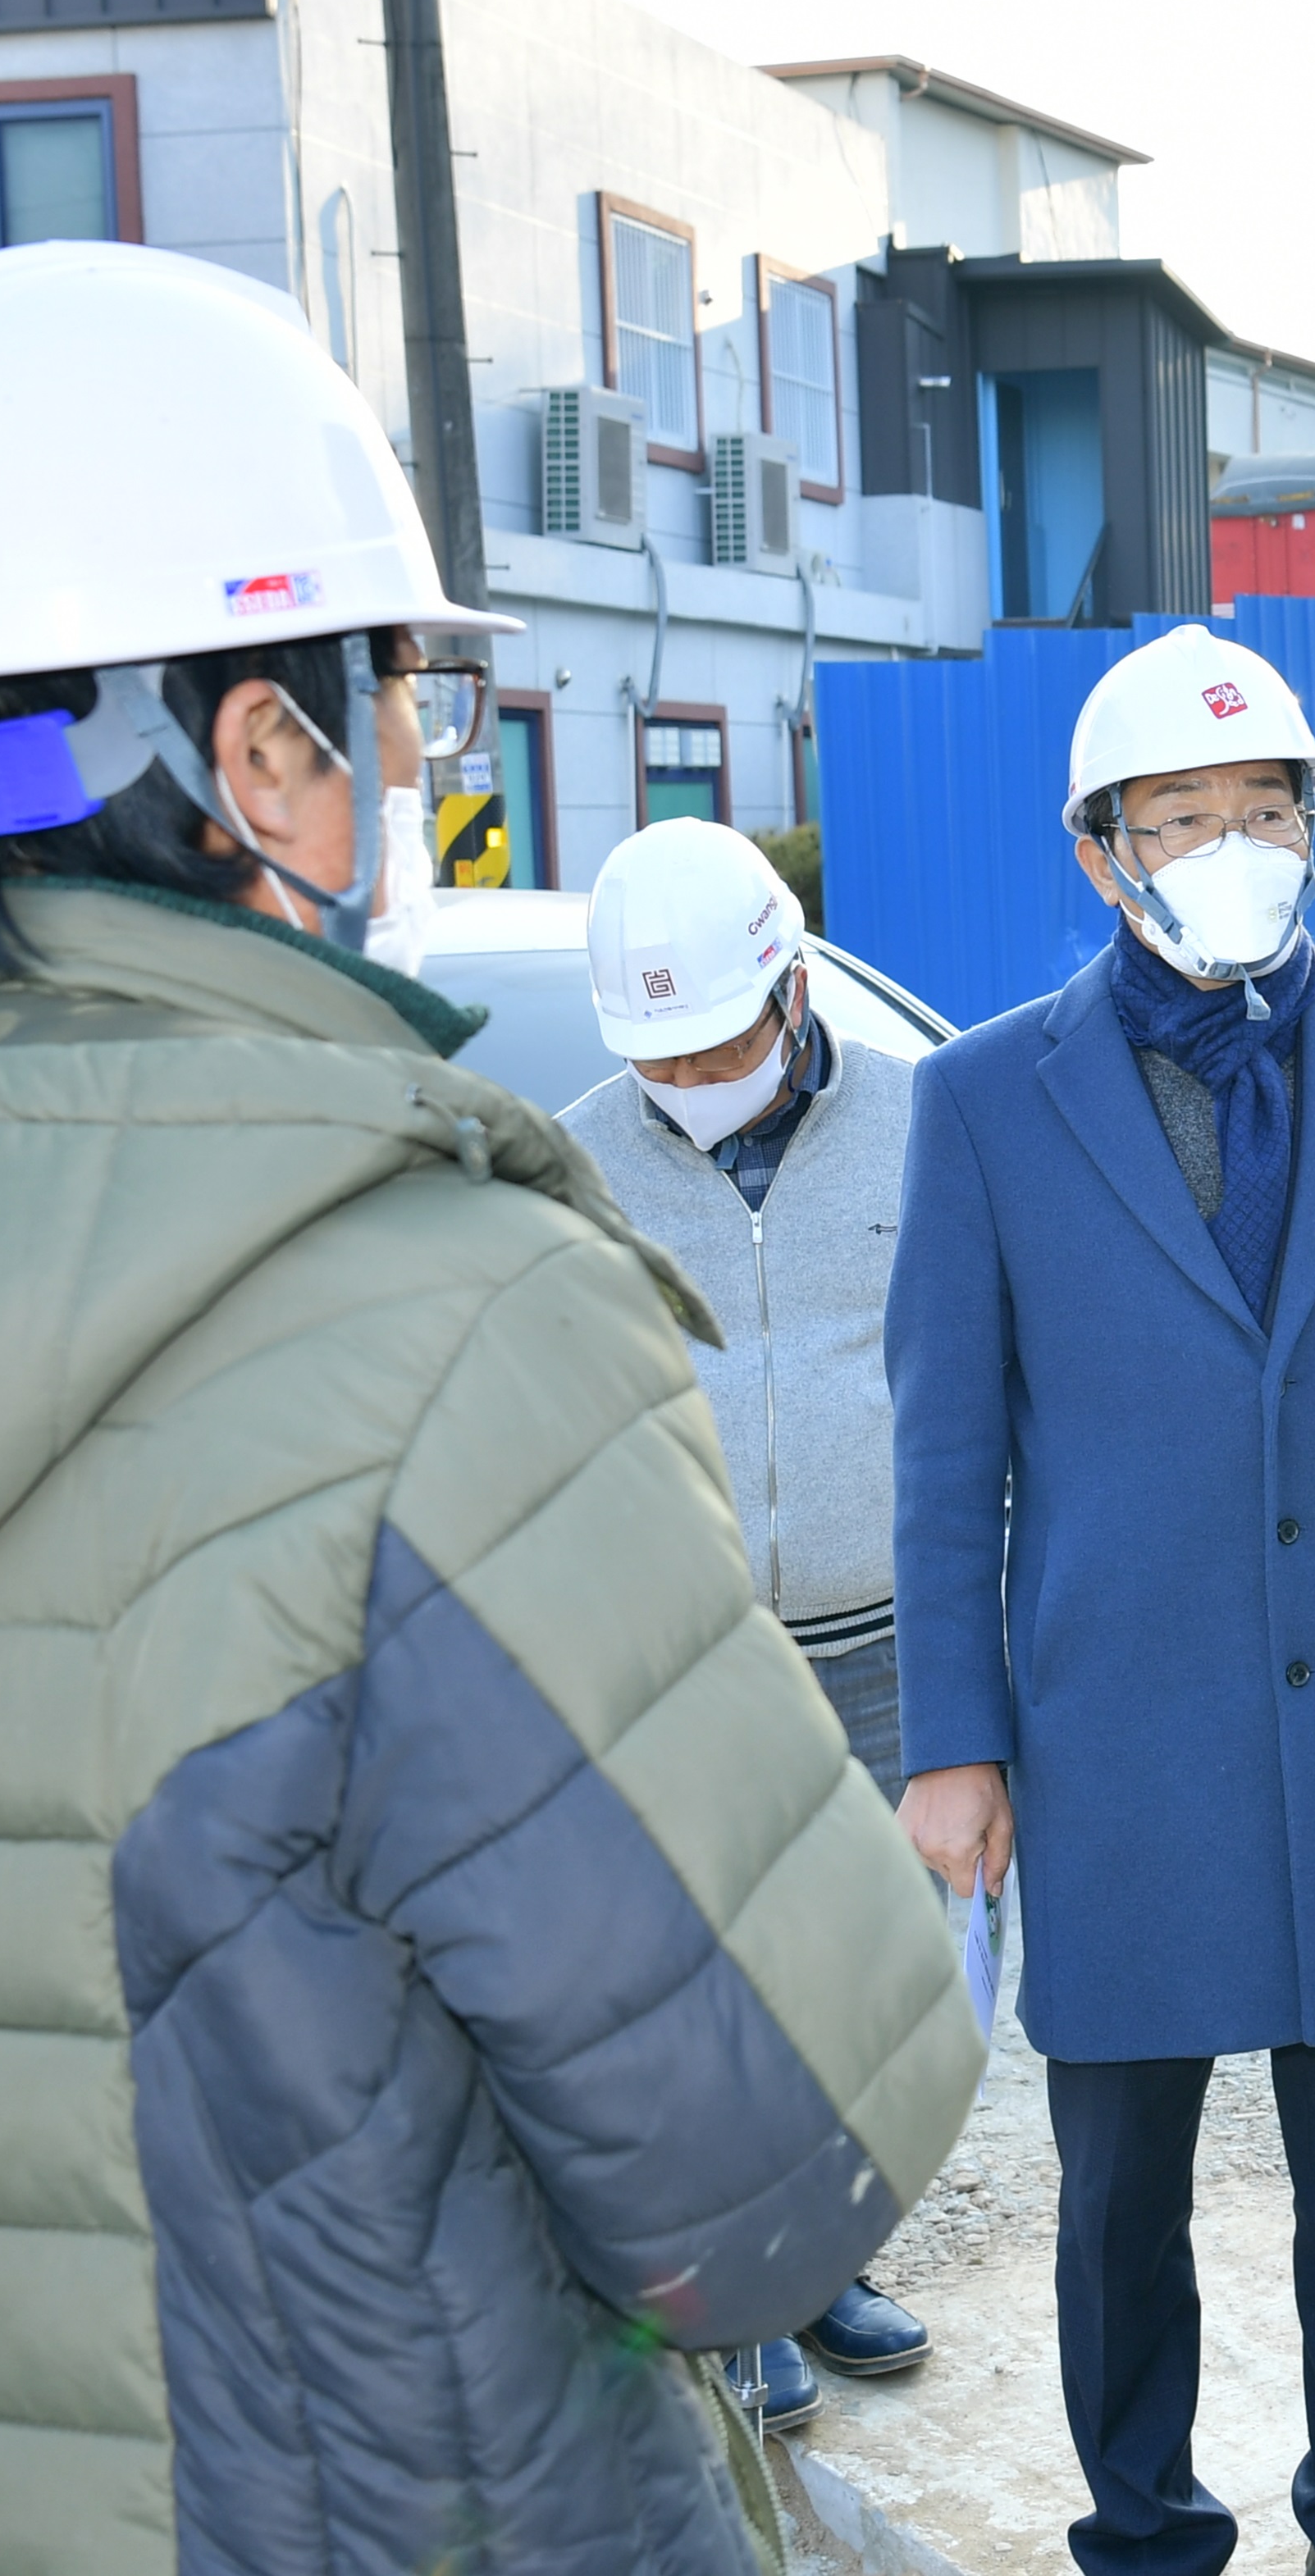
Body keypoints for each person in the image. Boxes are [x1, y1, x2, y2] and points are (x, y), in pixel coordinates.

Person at [0, 242, 976, 2571]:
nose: (401, 776)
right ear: (251, 754)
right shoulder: (443, 1317)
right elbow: (767, 2173)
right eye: (391, 720)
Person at [884, 623, 1315, 2576]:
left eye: (1266, 810)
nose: (1232, 845)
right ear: (1104, 852)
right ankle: (1149, 2528)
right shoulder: (989, 1098)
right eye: (1184, 819)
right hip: (1121, 1730)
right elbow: (949, 1454)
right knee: (1120, 2195)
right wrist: (958, 1743)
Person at [563, 817, 942, 2430]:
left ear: (791, 986)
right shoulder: (573, 1153)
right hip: (693, 1650)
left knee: (858, 1977)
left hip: (891, 1640)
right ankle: (733, 2301)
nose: (693, 1075)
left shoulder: (928, 1122)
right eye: (662, 1055)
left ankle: (826, 2262)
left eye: (718, 1038)